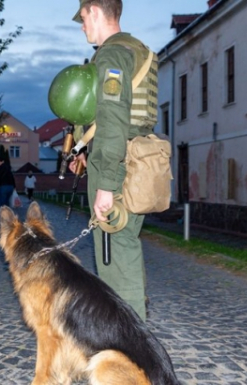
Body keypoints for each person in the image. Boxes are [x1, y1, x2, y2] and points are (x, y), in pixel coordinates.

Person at [69, 0, 158, 321]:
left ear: (94, 10)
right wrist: (83, 150)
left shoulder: (112, 54)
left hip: (119, 167)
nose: (82, 26)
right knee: (124, 246)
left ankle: (129, 346)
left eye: (82, 18)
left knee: (116, 254)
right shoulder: (137, 49)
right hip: (135, 159)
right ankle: (133, 329)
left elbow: (113, 119)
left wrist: (106, 184)